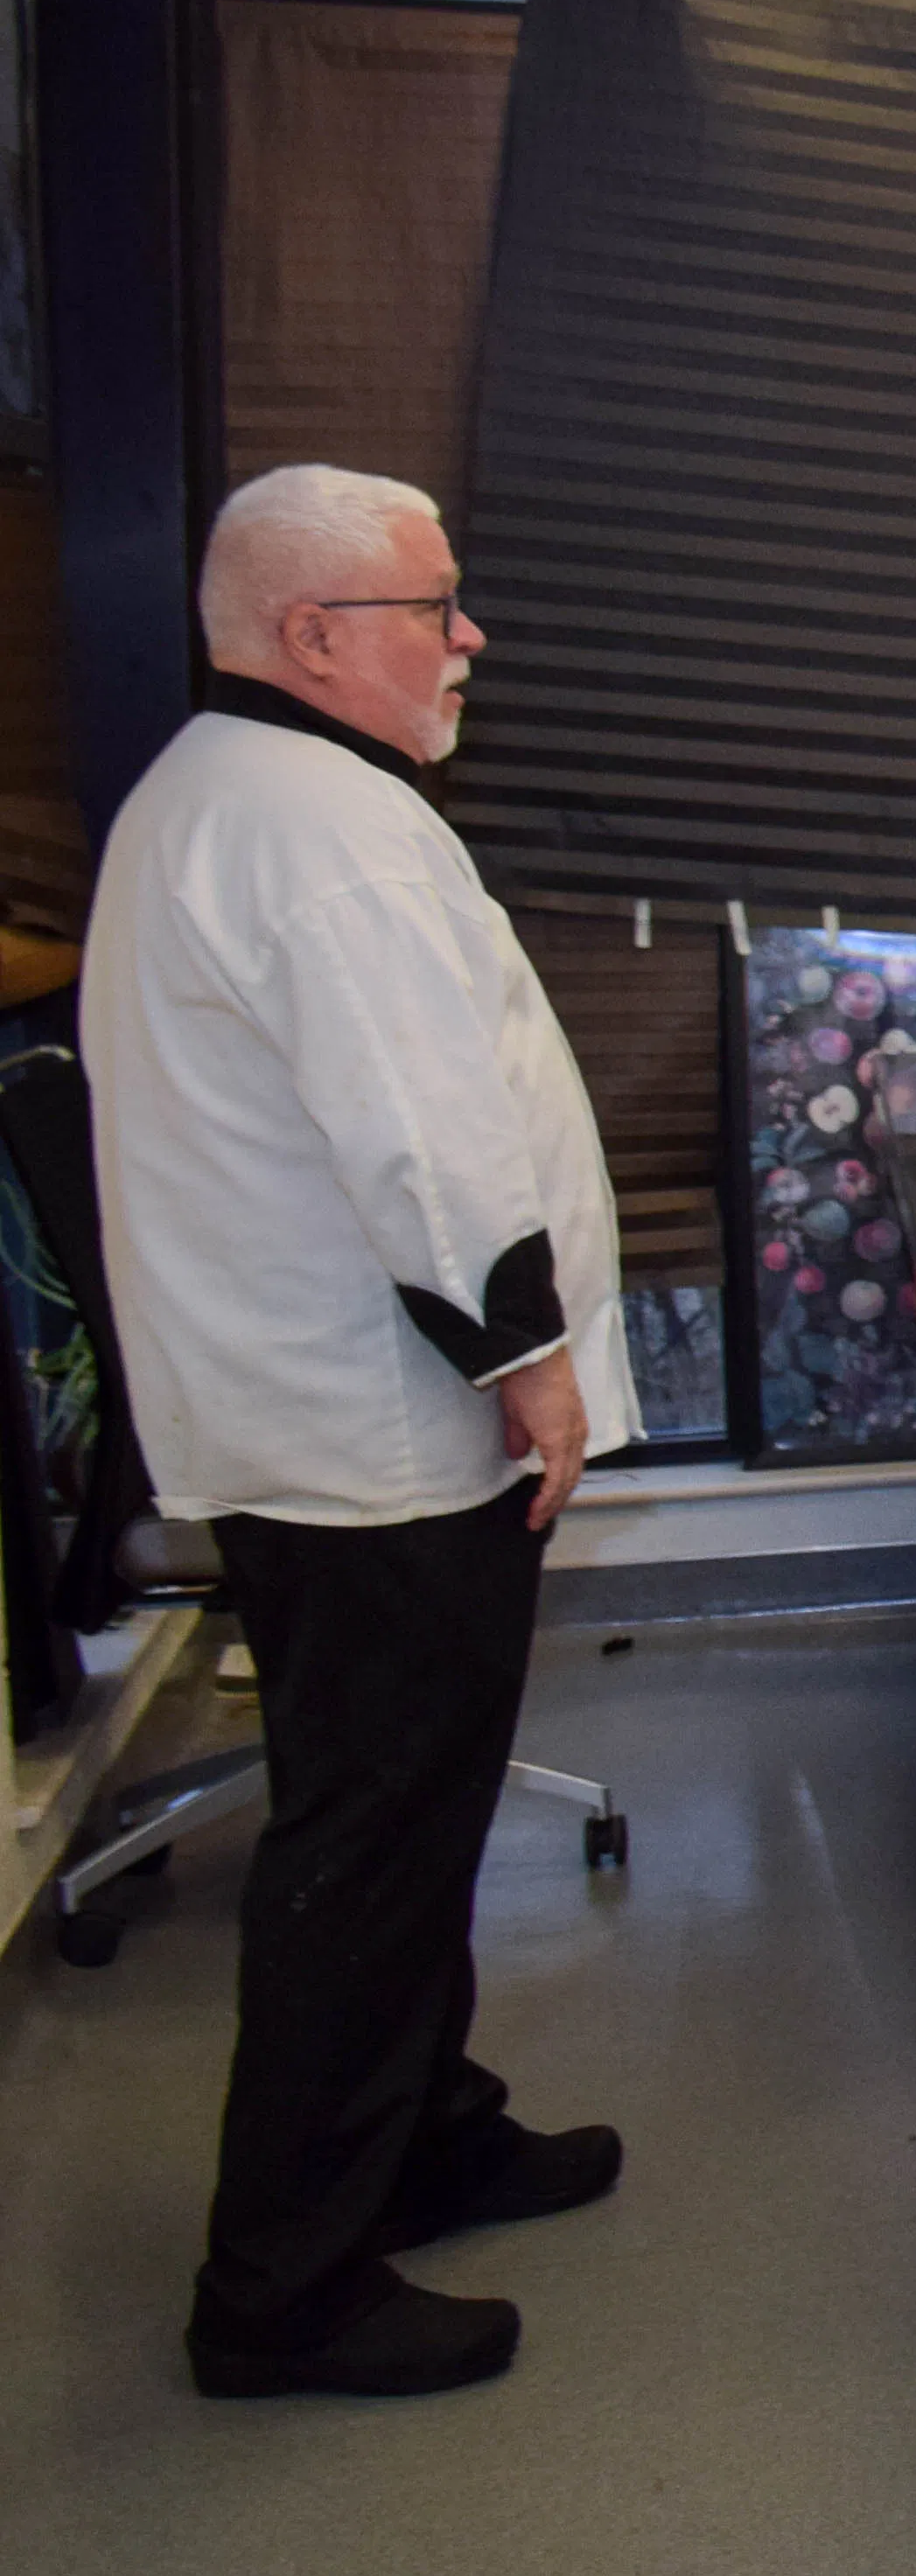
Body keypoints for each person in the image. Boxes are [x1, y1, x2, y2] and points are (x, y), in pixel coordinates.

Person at [80, 466, 632, 2401]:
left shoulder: (230, 792)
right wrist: (527, 1357)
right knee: (375, 1837)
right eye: (436, 603)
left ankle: (422, 2129)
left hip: (319, 1411)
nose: (467, 634)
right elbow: (422, 1132)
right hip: (381, 1425)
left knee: (409, 1806)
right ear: (315, 635)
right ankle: (285, 2284)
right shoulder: (324, 826)